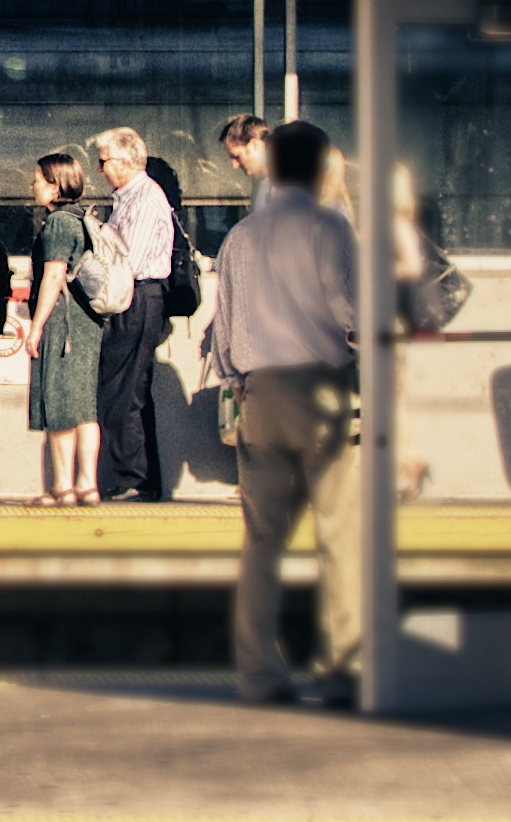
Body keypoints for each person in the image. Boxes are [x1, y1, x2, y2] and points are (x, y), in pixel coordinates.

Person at [210, 120, 362, 706]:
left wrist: (238, 383)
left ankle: (260, 674)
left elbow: (224, 331)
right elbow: (352, 313)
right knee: (340, 536)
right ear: (322, 167)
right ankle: (344, 670)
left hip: (261, 394)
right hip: (323, 391)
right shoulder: (331, 228)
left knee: (262, 542)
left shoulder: (241, 237)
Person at [15, 152, 104, 508]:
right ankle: (88, 485)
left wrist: (36, 326)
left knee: (59, 403)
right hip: (86, 321)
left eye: (38, 179)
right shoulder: (83, 218)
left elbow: (53, 276)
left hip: (62, 322)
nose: (32, 186)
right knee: (84, 406)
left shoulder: (56, 224)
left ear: (55, 186)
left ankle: (63, 487)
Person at [93, 127, 175, 503]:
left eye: (104, 161)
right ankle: (139, 476)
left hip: (137, 296)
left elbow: (130, 261)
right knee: (129, 388)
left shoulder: (144, 198)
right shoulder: (127, 198)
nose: (100, 170)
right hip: (133, 296)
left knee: (122, 390)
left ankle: (136, 478)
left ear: (125, 161)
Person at [218, 113, 272, 203]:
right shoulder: (262, 187)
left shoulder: (283, 186)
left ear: (255, 145)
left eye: (236, 156)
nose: (235, 166)